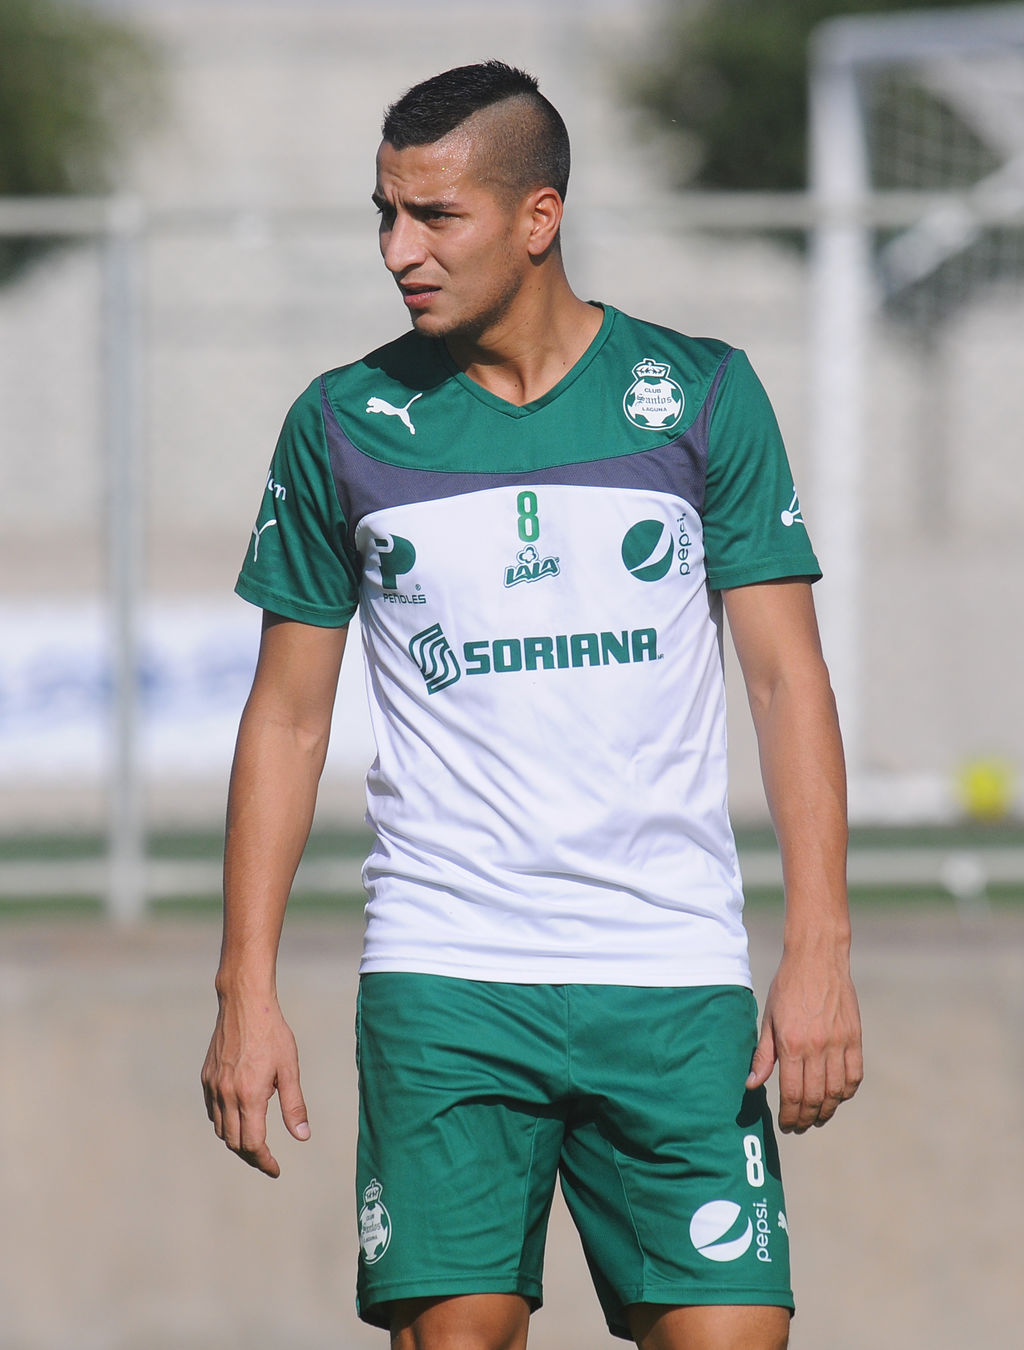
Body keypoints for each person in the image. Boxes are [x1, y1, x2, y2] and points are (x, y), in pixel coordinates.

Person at [202, 60, 862, 1350]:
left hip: (673, 976)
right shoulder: (342, 424)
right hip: (446, 974)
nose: (399, 250)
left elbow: (788, 681)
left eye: (435, 216)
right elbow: (285, 718)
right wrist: (244, 989)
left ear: (538, 217)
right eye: (386, 214)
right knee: (462, 1333)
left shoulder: (701, 395)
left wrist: (821, 948)